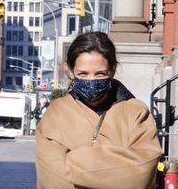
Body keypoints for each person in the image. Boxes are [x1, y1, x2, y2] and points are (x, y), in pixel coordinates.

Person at [36, 32, 162, 189]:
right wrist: (117, 165)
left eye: (99, 74)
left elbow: (142, 172)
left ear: (112, 70)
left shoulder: (135, 112)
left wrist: (70, 162)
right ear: (71, 71)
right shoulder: (56, 114)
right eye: (83, 73)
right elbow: (52, 179)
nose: (91, 80)